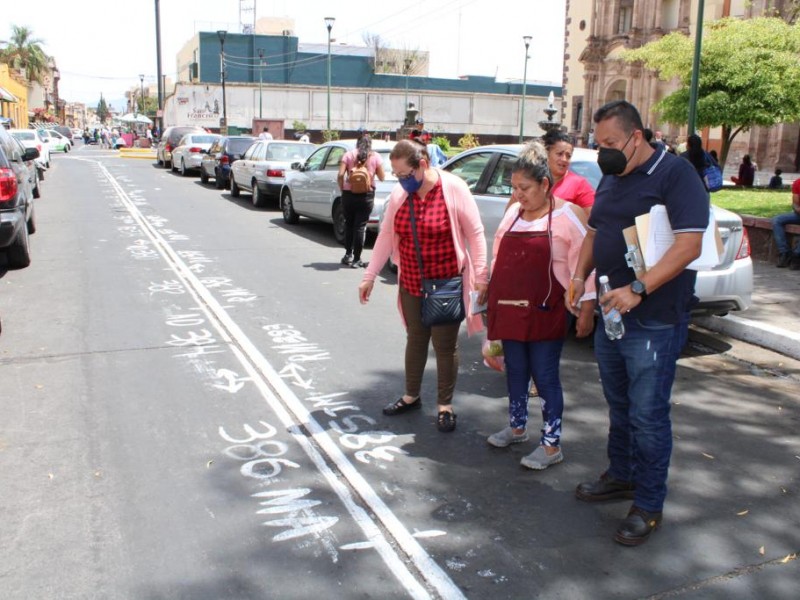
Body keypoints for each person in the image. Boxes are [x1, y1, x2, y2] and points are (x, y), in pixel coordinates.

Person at [570, 100, 709, 546]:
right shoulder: (612, 175)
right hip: (613, 313)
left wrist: (639, 289)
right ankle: (622, 475)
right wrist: (579, 277)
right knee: (620, 404)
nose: (603, 152)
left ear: (637, 137)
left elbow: (688, 246)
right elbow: (595, 231)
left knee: (649, 416)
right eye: (598, 143)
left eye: (610, 143)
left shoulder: (677, 175)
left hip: (654, 319)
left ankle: (648, 503)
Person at [358, 139, 488, 433]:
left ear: (424, 165)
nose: (402, 181)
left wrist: (481, 277)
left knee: (444, 346)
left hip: (446, 283)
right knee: (416, 339)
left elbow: (476, 234)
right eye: (397, 176)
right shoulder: (400, 195)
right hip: (412, 282)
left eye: (406, 175)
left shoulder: (453, 188)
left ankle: (445, 405)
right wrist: (369, 276)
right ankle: (411, 395)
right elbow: (386, 236)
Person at [486, 141, 596, 469]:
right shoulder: (513, 217)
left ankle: (551, 444)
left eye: (525, 188)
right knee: (516, 370)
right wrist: (486, 290)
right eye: (514, 187)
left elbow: (586, 263)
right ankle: (517, 425)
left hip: (547, 311)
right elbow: (497, 258)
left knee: (545, 375)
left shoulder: (566, 217)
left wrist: (587, 306)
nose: (518, 194)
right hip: (510, 309)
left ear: (545, 185)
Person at [337, 132, 385, 268]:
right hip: (366, 195)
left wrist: (342, 188)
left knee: (349, 224)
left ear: (357, 143)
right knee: (360, 226)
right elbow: (382, 177)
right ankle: (357, 259)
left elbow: (340, 174)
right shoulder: (375, 156)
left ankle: (348, 255)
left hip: (348, 194)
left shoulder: (348, 155)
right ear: (370, 144)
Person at [772, 178, 800, 269]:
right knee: (777, 220)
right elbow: (795, 204)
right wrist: (798, 209)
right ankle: (784, 253)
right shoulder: (798, 182)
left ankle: (797, 255)